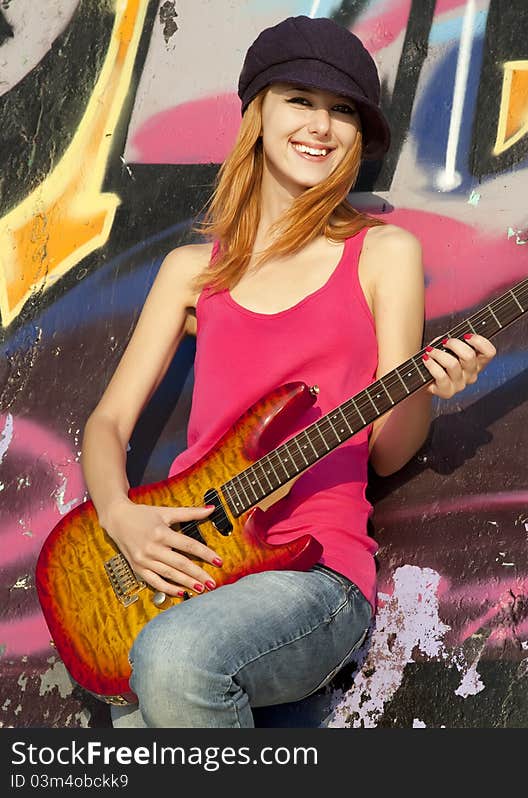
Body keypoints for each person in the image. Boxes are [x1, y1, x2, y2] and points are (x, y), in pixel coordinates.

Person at [81, 15, 495, 728]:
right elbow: (107, 422)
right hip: (193, 571)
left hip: (316, 577)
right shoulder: (192, 271)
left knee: (176, 662)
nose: (321, 125)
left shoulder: (382, 253)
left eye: (343, 112)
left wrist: (426, 387)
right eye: (300, 99)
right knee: (142, 720)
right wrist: (121, 517)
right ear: (258, 112)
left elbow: (391, 449)